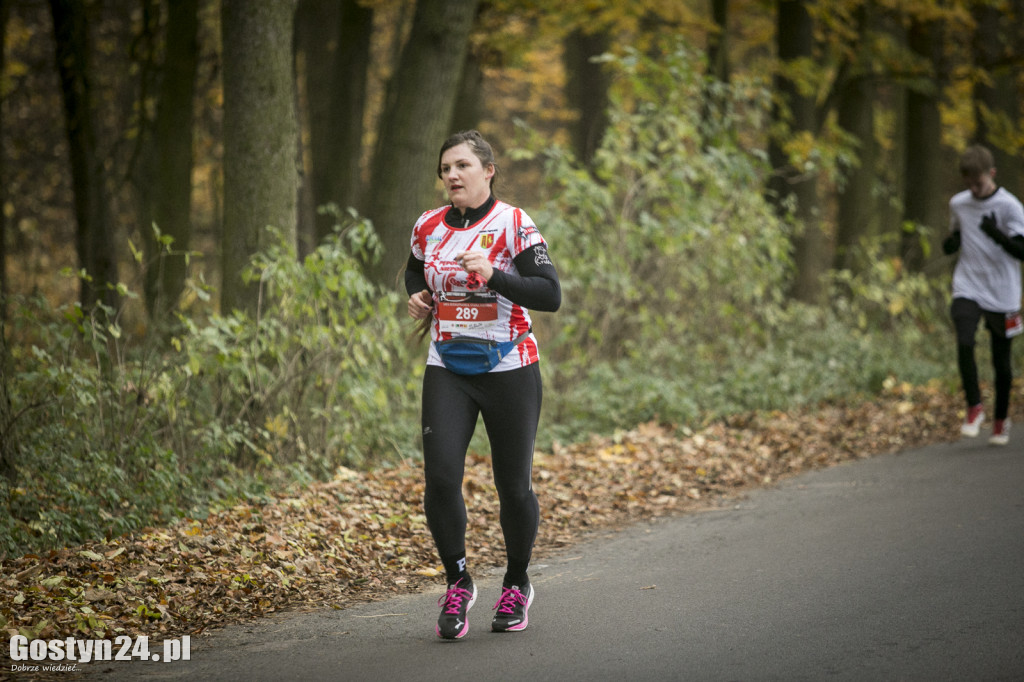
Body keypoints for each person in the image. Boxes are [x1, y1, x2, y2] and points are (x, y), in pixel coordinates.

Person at [404, 130, 561, 639]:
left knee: (512, 487)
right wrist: (419, 298)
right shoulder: (428, 225)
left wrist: (494, 274)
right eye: (445, 167)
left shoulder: (514, 223)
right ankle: (459, 581)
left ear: (488, 170)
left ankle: (517, 582)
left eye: (462, 166)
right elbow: (414, 272)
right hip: (447, 367)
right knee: (442, 480)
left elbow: (549, 294)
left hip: (510, 366)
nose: (451, 175)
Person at [943, 144, 1024, 446]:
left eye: (978, 183)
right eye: (968, 184)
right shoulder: (959, 204)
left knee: (1001, 361)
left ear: (992, 174)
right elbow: (956, 235)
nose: (974, 190)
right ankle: (974, 406)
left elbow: (1021, 250)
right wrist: (950, 244)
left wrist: (996, 234)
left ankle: (1001, 419)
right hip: (969, 284)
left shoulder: (1010, 207)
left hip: (1003, 292)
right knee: (964, 337)